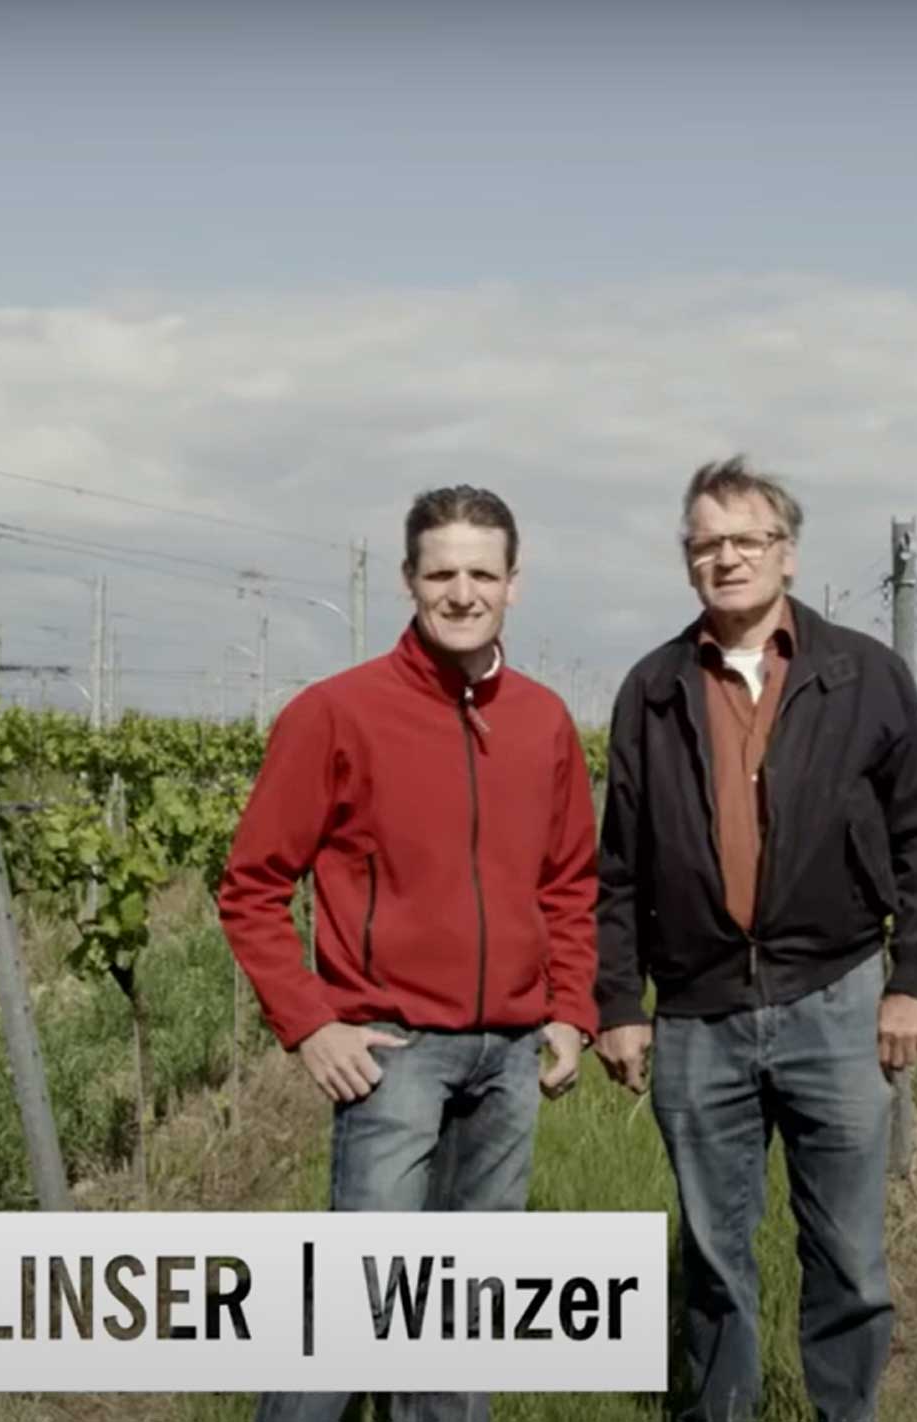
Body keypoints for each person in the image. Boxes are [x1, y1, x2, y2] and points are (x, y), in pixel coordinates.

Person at [217, 484, 601, 1422]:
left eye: (482, 572)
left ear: (515, 584)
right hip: (391, 1050)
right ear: (408, 581)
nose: (461, 591)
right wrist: (309, 1025)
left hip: (510, 1054)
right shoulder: (337, 714)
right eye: (442, 572)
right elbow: (252, 887)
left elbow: (572, 882)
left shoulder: (545, 721)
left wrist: (570, 1008)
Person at [592, 456, 917, 1422]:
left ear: (786, 555)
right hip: (700, 1012)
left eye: (746, 540)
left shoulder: (863, 674)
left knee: (847, 1253)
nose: (727, 559)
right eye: (706, 543)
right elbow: (619, 864)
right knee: (714, 1254)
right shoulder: (653, 688)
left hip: (836, 998)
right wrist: (620, 1005)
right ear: (687, 563)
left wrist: (914, 980)